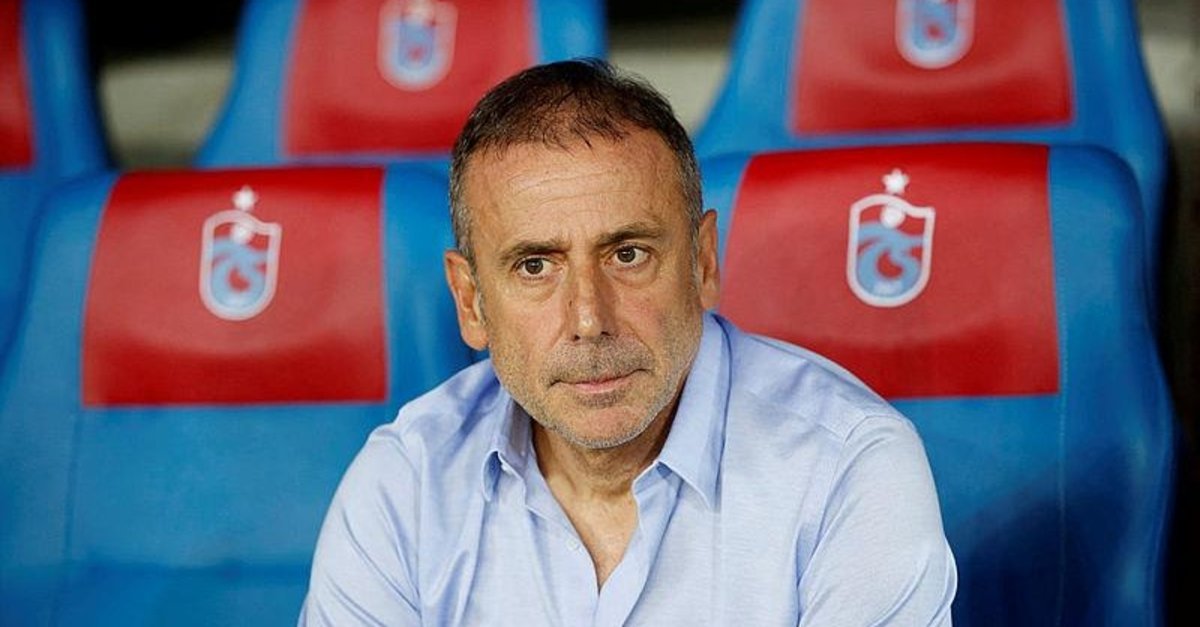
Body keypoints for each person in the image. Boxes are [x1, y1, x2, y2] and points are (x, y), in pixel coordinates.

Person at [299, 59, 956, 625]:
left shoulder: (846, 466)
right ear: (471, 301)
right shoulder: (405, 483)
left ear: (702, 262)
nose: (589, 318)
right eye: (535, 265)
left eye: (628, 254)